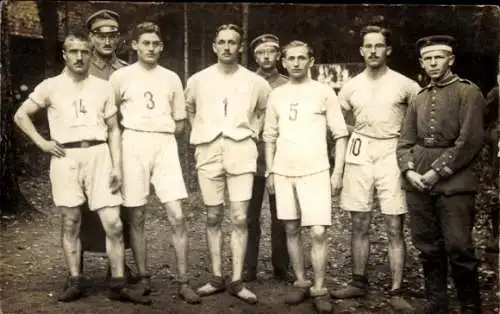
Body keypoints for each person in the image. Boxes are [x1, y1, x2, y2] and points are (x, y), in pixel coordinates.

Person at [13, 32, 150, 305]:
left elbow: (113, 129)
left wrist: (117, 166)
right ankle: (75, 280)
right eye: (73, 52)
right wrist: (42, 143)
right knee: (71, 220)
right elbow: (21, 115)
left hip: (99, 155)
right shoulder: (50, 86)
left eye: (84, 52)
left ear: (90, 54)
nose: (79, 57)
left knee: (113, 223)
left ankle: (118, 284)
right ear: (64, 54)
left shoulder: (102, 87)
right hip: (65, 156)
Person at [108, 21, 201, 304]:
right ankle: (144, 277)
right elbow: (110, 119)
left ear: (161, 46)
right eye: (145, 43)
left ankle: (184, 280)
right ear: (134, 45)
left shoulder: (171, 77)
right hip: (132, 143)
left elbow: (181, 121)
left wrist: (160, 130)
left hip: (164, 145)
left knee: (178, 214)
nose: (151, 48)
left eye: (156, 44)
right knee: (136, 215)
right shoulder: (120, 77)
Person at [330, 25, 420, 312]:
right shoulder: (350, 86)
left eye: (378, 46)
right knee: (360, 221)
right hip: (360, 151)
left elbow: (420, 119)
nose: (373, 51)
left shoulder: (405, 85)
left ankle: (396, 289)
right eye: (368, 46)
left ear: (388, 50)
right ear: (361, 50)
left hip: (392, 151)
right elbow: (336, 120)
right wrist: (355, 131)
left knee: (394, 224)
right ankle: (358, 282)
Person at [397, 35, 484, 313]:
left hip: (455, 180)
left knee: (459, 247)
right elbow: (405, 141)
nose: (433, 63)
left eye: (439, 57)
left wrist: (437, 172)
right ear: (422, 62)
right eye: (428, 58)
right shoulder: (419, 98)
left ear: (451, 60)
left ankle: (470, 305)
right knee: (427, 246)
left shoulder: (468, 92)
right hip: (418, 181)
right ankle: (437, 304)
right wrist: (409, 170)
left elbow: (469, 140)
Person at [185, 23, 271, 304]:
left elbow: (262, 110)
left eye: (232, 42)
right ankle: (215, 276)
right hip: (208, 151)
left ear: (239, 46)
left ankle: (237, 280)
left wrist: (252, 132)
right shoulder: (198, 80)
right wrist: (204, 134)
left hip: (241, 151)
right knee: (212, 216)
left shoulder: (256, 82)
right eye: (221, 42)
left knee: (239, 217)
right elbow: (190, 109)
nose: (226, 47)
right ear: (214, 46)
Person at [263, 40, 349, 313]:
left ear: (311, 60)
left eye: (302, 58)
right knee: (290, 228)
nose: (296, 63)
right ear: (284, 62)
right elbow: (269, 136)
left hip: (316, 171)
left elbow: (340, 135)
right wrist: (270, 171)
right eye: (291, 58)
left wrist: (337, 172)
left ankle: (319, 287)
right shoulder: (276, 94)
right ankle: (301, 281)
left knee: (319, 231)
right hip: (284, 170)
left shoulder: (324, 92)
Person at [79, 9, 135, 282]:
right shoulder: (80, 67)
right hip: (86, 147)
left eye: (112, 35)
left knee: (120, 207)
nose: (107, 41)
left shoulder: (125, 70)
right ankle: (75, 270)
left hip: (118, 146)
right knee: (79, 208)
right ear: (91, 38)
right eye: (101, 35)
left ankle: (120, 266)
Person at [244, 33, 290, 283]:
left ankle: (281, 266)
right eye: (261, 53)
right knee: (249, 216)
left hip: (280, 157)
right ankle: (248, 267)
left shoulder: (287, 83)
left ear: (278, 55)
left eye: (271, 52)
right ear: (255, 56)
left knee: (281, 214)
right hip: (251, 156)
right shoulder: (246, 82)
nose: (266, 57)